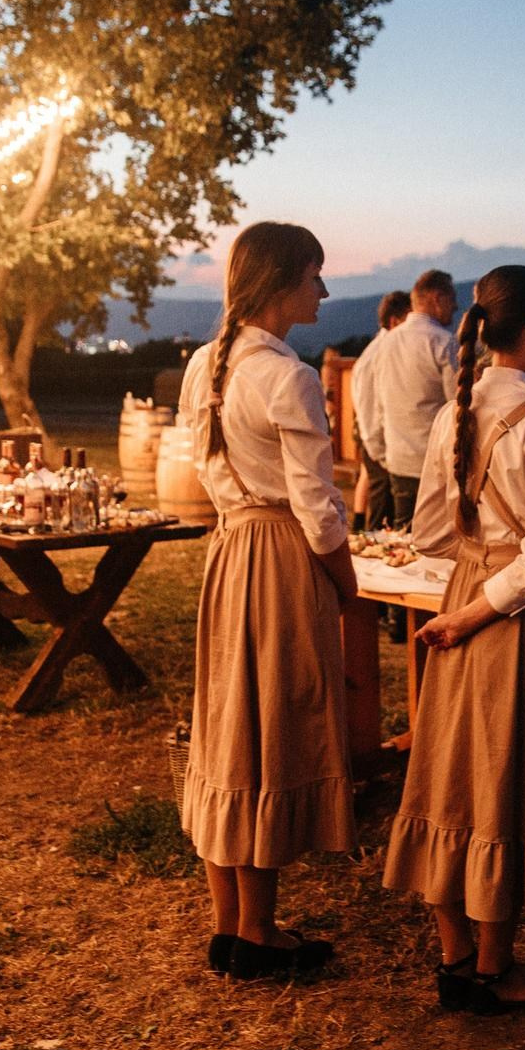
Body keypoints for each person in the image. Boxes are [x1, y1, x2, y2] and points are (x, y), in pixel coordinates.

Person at [382, 265, 525, 1013]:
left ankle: (456, 957)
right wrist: (484, 604)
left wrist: (469, 582)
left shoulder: (455, 414)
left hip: (463, 598)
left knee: (451, 774)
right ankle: (496, 970)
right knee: (508, 780)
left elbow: (431, 532)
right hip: (517, 616)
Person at [177, 222, 355, 980]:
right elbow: (317, 506)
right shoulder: (288, 374)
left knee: (229, 729)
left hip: (230, 550)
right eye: (316, 275)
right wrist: (347, 585)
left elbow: (205, 468)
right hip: (280, 553)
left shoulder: (203, 366)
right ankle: (256, 931)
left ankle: (232, 923)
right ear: (283, 281)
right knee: (270, 732)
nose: (323, 290)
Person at [360, 269, 459, 526]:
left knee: (404, 542)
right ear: (438, 298)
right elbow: (457, 409)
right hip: (437, 465)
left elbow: (374, 405)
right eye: (452, 298)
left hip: (398, 460)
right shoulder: (444, 343)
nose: (456, 306)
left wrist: (381, 453)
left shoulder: (385, 344)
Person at [349, 290, 410, 530]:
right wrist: (380, 453)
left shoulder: (384, 350)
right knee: (382, 513)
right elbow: (367, 405)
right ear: (395, 321)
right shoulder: (377, 354)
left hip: (385, 445)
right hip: (380, 447)